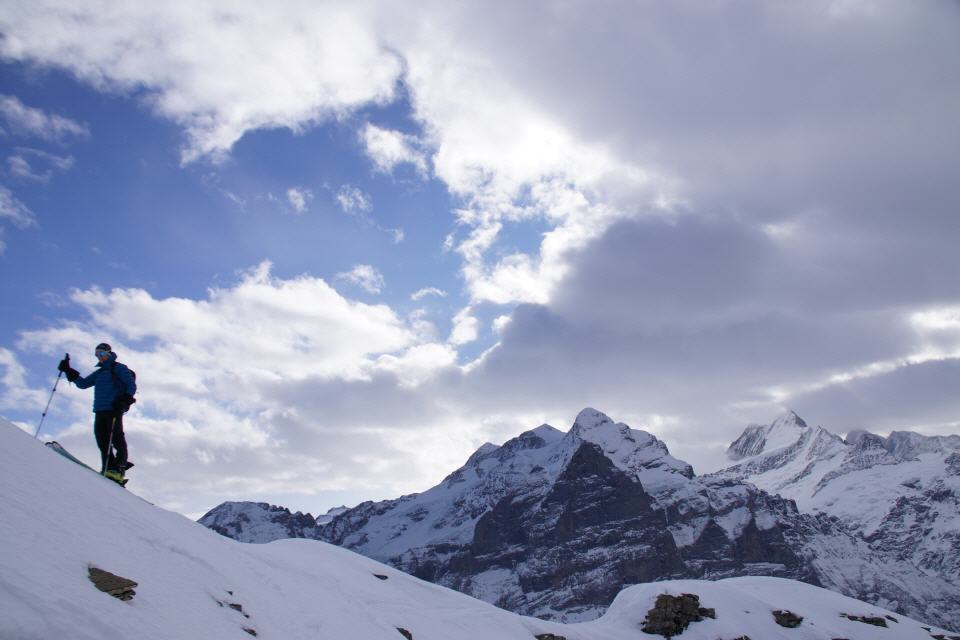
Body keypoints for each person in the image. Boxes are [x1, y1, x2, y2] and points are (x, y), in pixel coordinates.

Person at [58, 343, 136, 484]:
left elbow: (131, 385)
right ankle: (108, 468)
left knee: (117, 438)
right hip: (99, 409)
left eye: (101, 354)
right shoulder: (99, 373)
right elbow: (83, 384)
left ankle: (119, 469)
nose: (99, 357)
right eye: (97, 354)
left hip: (114, 408)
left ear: (109, 353)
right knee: (102, 440)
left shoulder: (118, 368)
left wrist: (125, 400)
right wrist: (68, 370)